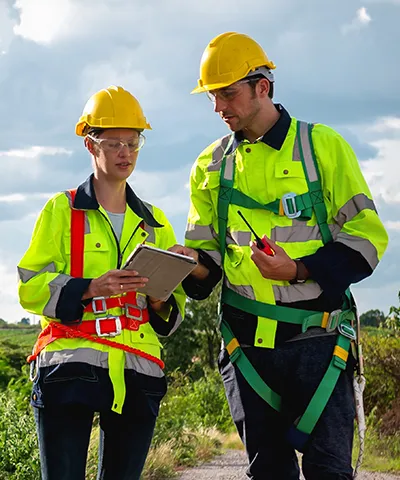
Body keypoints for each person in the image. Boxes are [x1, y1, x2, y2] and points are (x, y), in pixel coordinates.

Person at [171, 32, 389, 479]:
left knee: (330, 471)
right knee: (269, 472)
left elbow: (368, 239)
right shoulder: (209, 166)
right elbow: (207, 267)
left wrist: (298, 269)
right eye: (213, 97)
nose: (219, 108)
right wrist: (183, 261)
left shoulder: (322, 147)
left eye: (228, 94)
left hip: (320, 343)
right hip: (247, 349)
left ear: (262, 87)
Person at [17, 85, 186, 480]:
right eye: (114, 143)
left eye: (133, 142)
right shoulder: (62, 209)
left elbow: (172, 314)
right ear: (90, 146)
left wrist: (161, 300)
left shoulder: (155, 222)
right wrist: (90, 288)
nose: (125, 152)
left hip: (138, 369)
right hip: (71, 365)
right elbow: (29, 286)